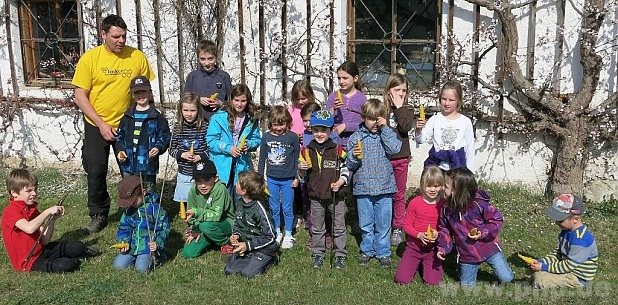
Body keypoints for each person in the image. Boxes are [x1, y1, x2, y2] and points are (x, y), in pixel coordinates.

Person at [72, 14, 155, 233]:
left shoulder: (136, 57)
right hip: (96, 123)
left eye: (124, 36)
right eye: (116, 36)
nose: (121, 41)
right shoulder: (90, 59)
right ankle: (98, 214)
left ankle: (138, 208)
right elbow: (80, 95)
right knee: (96, 169)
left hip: (127, 124)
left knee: (131, 169)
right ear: (103, 34)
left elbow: (147, 91)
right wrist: (101, 124)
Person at [2, 169, 100, 273]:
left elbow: (44, 240)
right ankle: (74, 261)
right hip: (29, 261)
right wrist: (46, 212)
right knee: (64, 265)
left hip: (41, 251)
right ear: (14, 193)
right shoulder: (10, 212)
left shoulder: (31, 209)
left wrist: (52, 220)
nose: (34, 193)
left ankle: (82, 252)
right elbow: (29, 228)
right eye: (29, 191)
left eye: (35, 189)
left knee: (77, 246)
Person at [346, 99, 402, 267]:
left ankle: (383, 251)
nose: (376, 122)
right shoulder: (356, 137)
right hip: (363, 187)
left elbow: (395, 149)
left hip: (384, 186)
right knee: (366, 222)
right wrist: (354, 156)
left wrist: (385, 128)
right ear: (363, 118)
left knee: (384, 222)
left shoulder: (386, 134)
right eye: (372, 118)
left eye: (379, 118)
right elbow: (350, 164)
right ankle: (367, 249)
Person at [437, 167, 513, 287]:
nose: (442, 188)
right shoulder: (447, 210)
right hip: (467, 253)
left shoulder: (479, 204)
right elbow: (444, 229)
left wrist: (482, 232)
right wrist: (443, 247)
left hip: (488, 247)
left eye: (446, 186)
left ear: (457, 190)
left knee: (507, 278)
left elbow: (497, 219)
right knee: (467, 287)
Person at [299, 110, 349, 269]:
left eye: (324, 130)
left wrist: (341, 182)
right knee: (318, 227)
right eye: (316, 130)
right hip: (316, 196)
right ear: (311, 130)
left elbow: (347, 169)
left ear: (331, 130)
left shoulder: (339, 150)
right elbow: (302, 176)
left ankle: (340, 254)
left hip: (336, 196)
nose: (319, 134)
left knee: (339, 227)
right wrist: (301, 168)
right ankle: (318, 253)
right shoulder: (306, 150)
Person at [529, 194, 598, 289]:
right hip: (566, 268)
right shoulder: (565, 231)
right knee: (535, 271)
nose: (556, 222)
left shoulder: (580, 240)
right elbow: (558, 254)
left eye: (560, 220)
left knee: (540, 280)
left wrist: (544, 267)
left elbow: (569, 265)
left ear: (575, 219)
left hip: (576, 276)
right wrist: (542, 261)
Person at [115, 76, 171, 189]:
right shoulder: (127, 116)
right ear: (132, 95)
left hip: (148, 166)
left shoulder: (157, 117)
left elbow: (165, 137)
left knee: (149, 196)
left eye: (143, 92)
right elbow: (119, 137)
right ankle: (131, 208)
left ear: (150, 93)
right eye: (137, 93)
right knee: (130, 196)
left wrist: (158, 148)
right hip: (128, 164)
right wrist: (120, 150)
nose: (140, 95)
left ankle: (150, 207)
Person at [206, 84, 261, 197]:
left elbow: (256, 139)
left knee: (239, 197)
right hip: (221, 165)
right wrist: (228, 148)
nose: (239, 104)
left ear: (248, 101)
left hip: (241, 165)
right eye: (236, 100)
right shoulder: (219, 117)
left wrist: (249, 144)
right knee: (223, 197)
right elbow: (211, 140)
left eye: (243, 101)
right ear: (231, 99)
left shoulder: (251, 119)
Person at [257, 106, 300, 248]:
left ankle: (288, 233)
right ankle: (276, 231)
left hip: (288, 179)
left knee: (287, 207)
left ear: (287, 122)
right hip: (271, 178)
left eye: (282, 124)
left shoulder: (292, 137)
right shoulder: (266, 137)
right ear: (270, 123)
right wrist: (260, 178)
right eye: (275, 124)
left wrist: (296, 177)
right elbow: (262, 158)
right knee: (274, 206)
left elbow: (296, 159)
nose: (279, 127)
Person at [394, 166, 444, 285]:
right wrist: (419, 235)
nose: (433, 189)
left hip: (433, 249)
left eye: (436, 186)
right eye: (429, 186)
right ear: (422, 185)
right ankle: (413, 263)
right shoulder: (415, 203)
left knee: (433, 282)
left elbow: (446, 228)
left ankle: (426, 265)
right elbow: (406, 226)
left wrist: (438, 234)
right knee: (402, 279)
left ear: (441, 186)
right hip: (414, 247)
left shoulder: (443, 205)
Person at [225, 171, 279, 278]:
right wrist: (236, 235)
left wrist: (248, 245)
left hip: (263, 249)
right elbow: (238, 224)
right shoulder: (239, 203)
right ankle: (250, 258)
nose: (236, 185)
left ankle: (271, 259)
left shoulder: (260, 208)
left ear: (244, 191)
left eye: (238, 183)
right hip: (247, 247)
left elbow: (271, 236)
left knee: (247, 274)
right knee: (229, 270)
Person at [415, 80, 475, 173]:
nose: (447, 103)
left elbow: (469, 148)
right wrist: (418, 130)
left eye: (451, 100)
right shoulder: (435, 119)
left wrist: (470, 172)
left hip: (457, 167)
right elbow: (421, 140)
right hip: (436, 168)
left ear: (458, 101)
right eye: (444, 99)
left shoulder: (465, 122)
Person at [112, 175, 170, 273]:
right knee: (118, 266)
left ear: (143, 192)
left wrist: (157, 243)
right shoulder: (129, 210)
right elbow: (124, 228)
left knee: (141, 269)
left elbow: (164, 228)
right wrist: (124, 241)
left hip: (148, 247)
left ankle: (162, 256)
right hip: (132, 245)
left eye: (132, 200)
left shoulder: (155, 208)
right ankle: (138, 259)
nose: (129, 204)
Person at [383, 74, 415, 247]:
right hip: (385, 158)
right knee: (384, 194)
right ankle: (384, 225)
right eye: (397, 90)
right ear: (389, 92)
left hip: (401, 158)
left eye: (404, 90)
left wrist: (400, 107)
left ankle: (397, 226)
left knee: (399, 194)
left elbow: (405, 127)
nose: (401, 93)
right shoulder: (383, 111)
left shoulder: (407, 109)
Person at [181, 160, 235, 258]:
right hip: (203, 225)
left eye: (206, 180)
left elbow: (216, 215)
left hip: (224, 222)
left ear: (215, 178)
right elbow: (191, 215)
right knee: (188, 253)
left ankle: (227, 242)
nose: (202, 185)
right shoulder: (193, 190)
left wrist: (197, 213)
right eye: (198, 181)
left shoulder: (220, 189)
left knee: (206, 226)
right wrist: (194, 229)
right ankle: (213, 240)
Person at [169, 92, 209, 205]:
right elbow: (171, 149)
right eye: (186, 110)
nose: (189, 114)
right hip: (184, 171)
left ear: (198, 111)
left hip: (201, 170)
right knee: (185, 200)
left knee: (201, 200)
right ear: (181, 111)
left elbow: (210, 149)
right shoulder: (177, 127)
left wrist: (200, 156)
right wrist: (181, 154)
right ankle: (188, 219)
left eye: (193, 110)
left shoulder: (205, 127)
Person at [184, 40, 232, 121]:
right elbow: (185, 99)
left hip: (220, 120)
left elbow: (232, 101)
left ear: (216, 57)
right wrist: (198, 100)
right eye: (202, 59)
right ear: (198, 58)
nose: (206, 63)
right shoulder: (192, 76)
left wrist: (221, 104)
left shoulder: (224, 76)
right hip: (198, 122)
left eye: (210, 59)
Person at [326, 61, 368, 146]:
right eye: (339, 78)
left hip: (355, 143)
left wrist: (346, 126)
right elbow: (325, 119)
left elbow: (365, 125)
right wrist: (333, 109)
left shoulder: (361, 98)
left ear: (355, 78)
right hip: (335, 143)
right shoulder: (333, 97)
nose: (341, 81)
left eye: (345, 78)